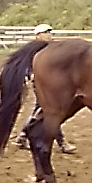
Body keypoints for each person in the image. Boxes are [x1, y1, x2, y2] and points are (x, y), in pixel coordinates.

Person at [14, 23, 76, 153]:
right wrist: (30, 75)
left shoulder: (50, 48)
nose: (48, 35)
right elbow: (26, 65)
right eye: (45, 33)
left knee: (43, 111)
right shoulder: (34, 49)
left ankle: (23, 135)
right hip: (41, 83)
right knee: (50, 111)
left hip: (51, 84)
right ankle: (62, 142)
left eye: (49, 32)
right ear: (37, 35)